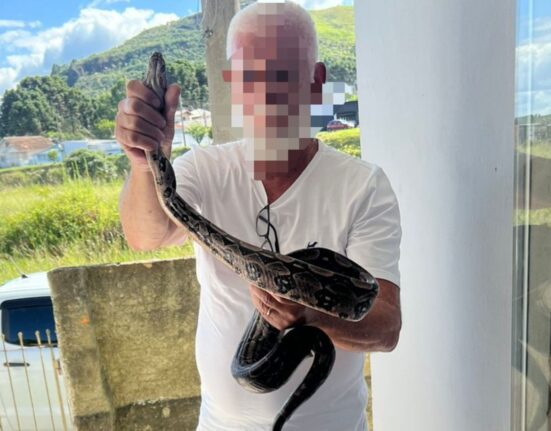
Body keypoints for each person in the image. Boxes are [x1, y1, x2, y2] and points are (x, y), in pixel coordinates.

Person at [115, 2, 402, 430]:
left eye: (282, 75)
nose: (265, 96)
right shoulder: (204, 169)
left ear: (316, 82)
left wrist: (311, 316)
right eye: (249, 77)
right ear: (232, 84)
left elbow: (385, 325)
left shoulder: (362, 186)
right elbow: (146, 234)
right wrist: (144, 163)